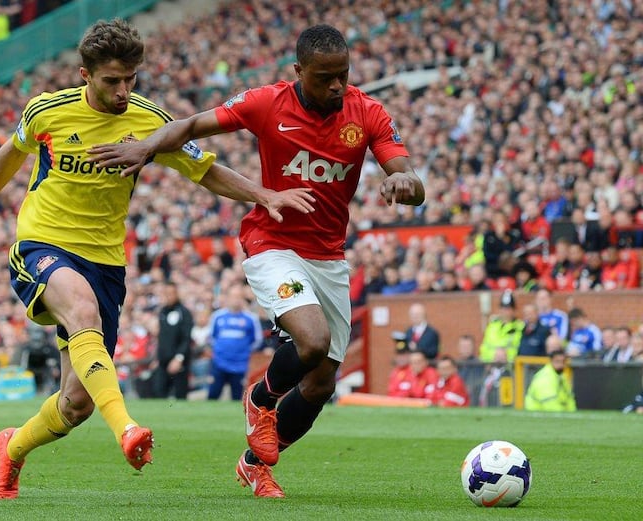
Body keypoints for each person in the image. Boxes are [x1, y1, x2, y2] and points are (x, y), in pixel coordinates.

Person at [0, 19, 314, 500]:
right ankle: (126, 429)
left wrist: (262, 193)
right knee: (82, 312)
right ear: (85, 74)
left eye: (131, 79)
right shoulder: (47, 110)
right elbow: (10, 154)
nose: (124, 91)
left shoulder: (149, 120)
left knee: (75, 403)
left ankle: (13, 447)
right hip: (43, 243)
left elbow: (204, 170)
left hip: (106, 263)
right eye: (112, 81)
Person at [87, 23, 424, 498]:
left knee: (322, 383)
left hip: (328, 257)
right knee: (312, 341)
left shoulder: (366, 111)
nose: (336, 86)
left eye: (343, 75)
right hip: (272, 244)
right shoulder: (267, 102)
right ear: (298, 72)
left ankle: (254, 465)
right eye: (325, 77)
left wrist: (404, 183)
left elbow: (408, 175)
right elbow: (189, 126)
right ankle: (260, 398)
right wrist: (146, 147)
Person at [206, 283, 263, 401]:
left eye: (238, 297)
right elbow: (211, 338)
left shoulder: (251, 319)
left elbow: (257, 340)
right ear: (227, 298)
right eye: (233, 296)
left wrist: (244, 351)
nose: (235, 300)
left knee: (237, 398)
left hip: (240, 365)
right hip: (219, 363)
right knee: (212, 396)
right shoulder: (217, 316)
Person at [153, 282, 194, 399]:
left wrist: (178, 358)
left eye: (171, 293)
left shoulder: (184, 313)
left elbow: (186, 338)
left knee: (180, 395)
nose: (168, 296)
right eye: (166, 294)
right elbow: (162, 337)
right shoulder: (162, 312)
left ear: (177, 294)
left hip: (179, 362)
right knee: (158, 392)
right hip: (163, 361)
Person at [479, 290, 524, 363]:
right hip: (491, 365)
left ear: (514, 310)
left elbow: (520, 349)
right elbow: (484, 349)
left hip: (511, 367)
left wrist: (506, 356)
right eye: (503, 308)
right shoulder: (492, 326)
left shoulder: (520, 327)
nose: (505, 312)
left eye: (508, 308)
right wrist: (494, 356)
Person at [386, 333, 413, 398]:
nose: (401, 358)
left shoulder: (414, 371)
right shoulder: (395, 372)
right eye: (399, 355)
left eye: (404, 355)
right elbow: (390, 392)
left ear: (409, 355)